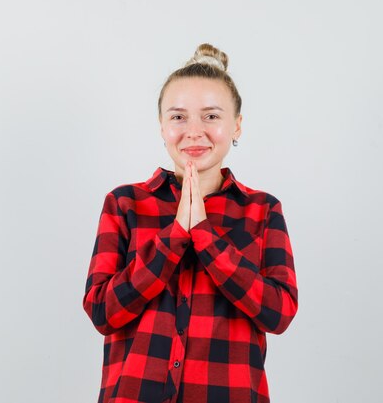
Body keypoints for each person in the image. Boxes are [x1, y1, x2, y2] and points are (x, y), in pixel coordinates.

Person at [83, 43, 298, 403]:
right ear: (162, 126)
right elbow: (103, 311)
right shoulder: (124, 203)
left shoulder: (263, 211)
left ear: (237, 126)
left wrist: (204, 236)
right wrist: (173, 237)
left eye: (211, 116)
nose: (194, 131)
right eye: (178, 117)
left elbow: (278, 314)